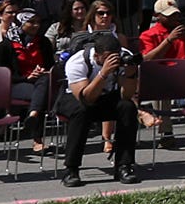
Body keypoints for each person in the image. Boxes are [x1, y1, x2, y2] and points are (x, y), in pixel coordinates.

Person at [55, 13, 140, 186]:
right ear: (97, 56)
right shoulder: (78, 61)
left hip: (106, 96)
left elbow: (126, 94)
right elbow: (86, 97)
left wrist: (131, 75)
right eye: (108, 57)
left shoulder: (123, 56)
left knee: (127, 107)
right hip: (75, 98)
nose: (113, 60)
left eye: (115, 56)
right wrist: (103, 73)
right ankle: (71, 170)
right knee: (81, 112)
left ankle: (123, 166)